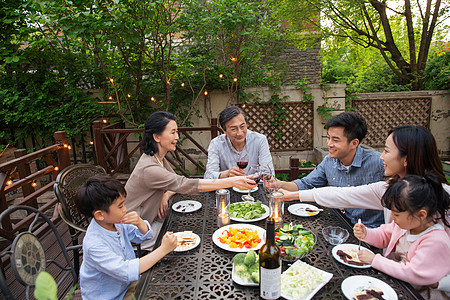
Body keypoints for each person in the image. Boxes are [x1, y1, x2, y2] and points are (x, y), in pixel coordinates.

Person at [125, 111, 257, 250]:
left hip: (152, 221)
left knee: (194, 233)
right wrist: (232, 181)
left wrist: (165, 195)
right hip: (136, 234)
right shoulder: (149, 168)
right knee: (193, 240)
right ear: (157, 137)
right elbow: (184, 184)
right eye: (173, 132)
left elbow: (173, 183)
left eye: (177, 132)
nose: (177, 137)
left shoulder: (157, 158)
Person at [76, 175, 178, 300]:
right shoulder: (94, 244)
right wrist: (163, 250)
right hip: (113, 296)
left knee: (172, 282)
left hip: (126, 284)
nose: (125, 209)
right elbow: (127, 271)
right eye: (120, 206)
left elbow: (143, 236)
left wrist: (140, 223)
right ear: (100, 215)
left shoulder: (115, 222)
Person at [278, 112, 385, 227]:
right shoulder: (329, 161)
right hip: (342, 225)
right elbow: (306, 184)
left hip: (374, 232)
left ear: (354, 143)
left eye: (335, 140)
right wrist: (279, 184)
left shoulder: (379, 163)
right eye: (328, 138)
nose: (329, 144)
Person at [354, 173, 450, 299]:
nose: (392, 217)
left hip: (417, 295)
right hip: (398, 284)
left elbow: (412, 272)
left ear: (421, 215)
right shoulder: (406, 226)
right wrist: (366, 234)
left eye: (396, 214)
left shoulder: (436, 241)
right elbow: (384, 235)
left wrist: (375, 260)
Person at [204, 105, 274, 179]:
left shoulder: (260, 140)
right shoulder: (216, 144)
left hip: (254, 187)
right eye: (234, 129)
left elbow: (268, 173)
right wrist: (226, 174)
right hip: (227, 188)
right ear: (224, 131)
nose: (240, 133)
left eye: (242, 126)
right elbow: (208, 176)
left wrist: (244, 180)